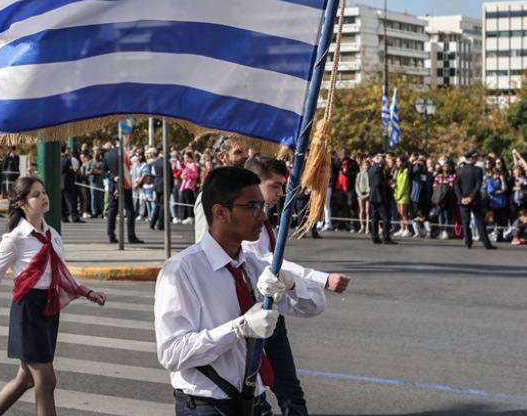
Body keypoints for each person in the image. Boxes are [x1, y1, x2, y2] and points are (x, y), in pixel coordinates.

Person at [155, 167, 327, 416]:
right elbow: (172, 353)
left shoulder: (253, 265)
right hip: (207, 405)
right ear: (220, 212)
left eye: (262, 206)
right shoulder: (182, 270)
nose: (263, 216)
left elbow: (315, 304)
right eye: (252, 207)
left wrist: (291, 283)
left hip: (253, 402)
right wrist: (237, 329)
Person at [0, 176, 106, 416]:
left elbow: (62, 273)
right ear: (21, 204)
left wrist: (88, 292)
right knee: (46, 381)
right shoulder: (14, 239)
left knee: (26, 378)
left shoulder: (53, 235)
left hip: (48, 311)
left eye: (43, 192)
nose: (44, 197)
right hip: (28, 310)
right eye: (35, 194)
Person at [243, 156, 349, 415]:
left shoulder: (262, 214)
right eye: (275, 186)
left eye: (282, 186)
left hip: (271, 315)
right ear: (256, 184)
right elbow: (264, 261)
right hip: (246, 317)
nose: (281, 193)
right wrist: (321, 279)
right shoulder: (240, 218)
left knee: (290, 390)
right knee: (251, 395)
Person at [455, 151, 497, 250]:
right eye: (475, 157)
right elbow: (478, 186)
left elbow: (456, 187)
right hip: (475, 200)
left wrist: (462, 198)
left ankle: (468, 242)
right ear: (471, 159)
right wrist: (471, 197)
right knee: (479, 221)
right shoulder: (478, 170)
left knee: (465, 221)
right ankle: (486, 243)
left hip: (463, 200)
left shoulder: (459, 171)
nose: (477, 159)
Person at [367, 153, 395, 245]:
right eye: (382, 158)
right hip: (380, 196)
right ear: (378, 158)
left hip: (373, 196)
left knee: (374, 217)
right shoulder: (379, 168)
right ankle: (386, 237)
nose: (384, 159)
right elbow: (378, 183)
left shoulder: (371, 168)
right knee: (385, 217)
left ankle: (375, 237)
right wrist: (388, 182)